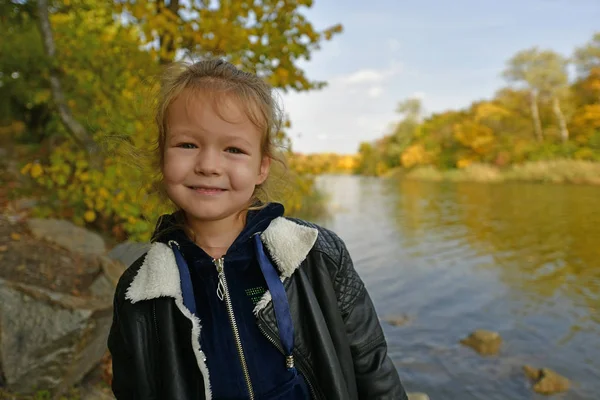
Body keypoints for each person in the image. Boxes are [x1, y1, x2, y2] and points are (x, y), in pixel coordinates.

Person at [107, 58, 407, 400]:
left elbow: (373, 367)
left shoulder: (318, 256)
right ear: (162, 156)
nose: (208, 165)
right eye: (187, 145)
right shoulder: (141, 291)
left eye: (233, 149)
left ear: (261, 167)